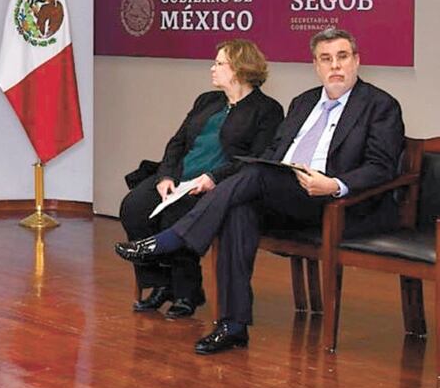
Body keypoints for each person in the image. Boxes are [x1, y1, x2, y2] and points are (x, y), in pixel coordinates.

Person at [115, 28, 404, 354]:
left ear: (357, 61)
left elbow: (381, 166)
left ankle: (173, 239)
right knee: (239, 208)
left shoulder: (379, 105)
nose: (335, 65)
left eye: (342, 57)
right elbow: (273, 153)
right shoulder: (303, 102)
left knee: (253, 176)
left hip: (332, 199)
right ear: (316, 65)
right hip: (284, 192)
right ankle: (232, 326)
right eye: (326, 59)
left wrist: (334, 184)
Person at [119, 39, 283, 318]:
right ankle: (161, 284)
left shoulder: (267, 110)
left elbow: (257, 158)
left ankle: (187, 292)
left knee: (176, 215)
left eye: (219, 63)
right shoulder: (207, 101)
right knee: (134, 208)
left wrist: (213, 177)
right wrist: (165, 176)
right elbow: (178, 142)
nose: (212, 68)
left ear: (239, 68)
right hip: (179, 176)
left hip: (217, 183)